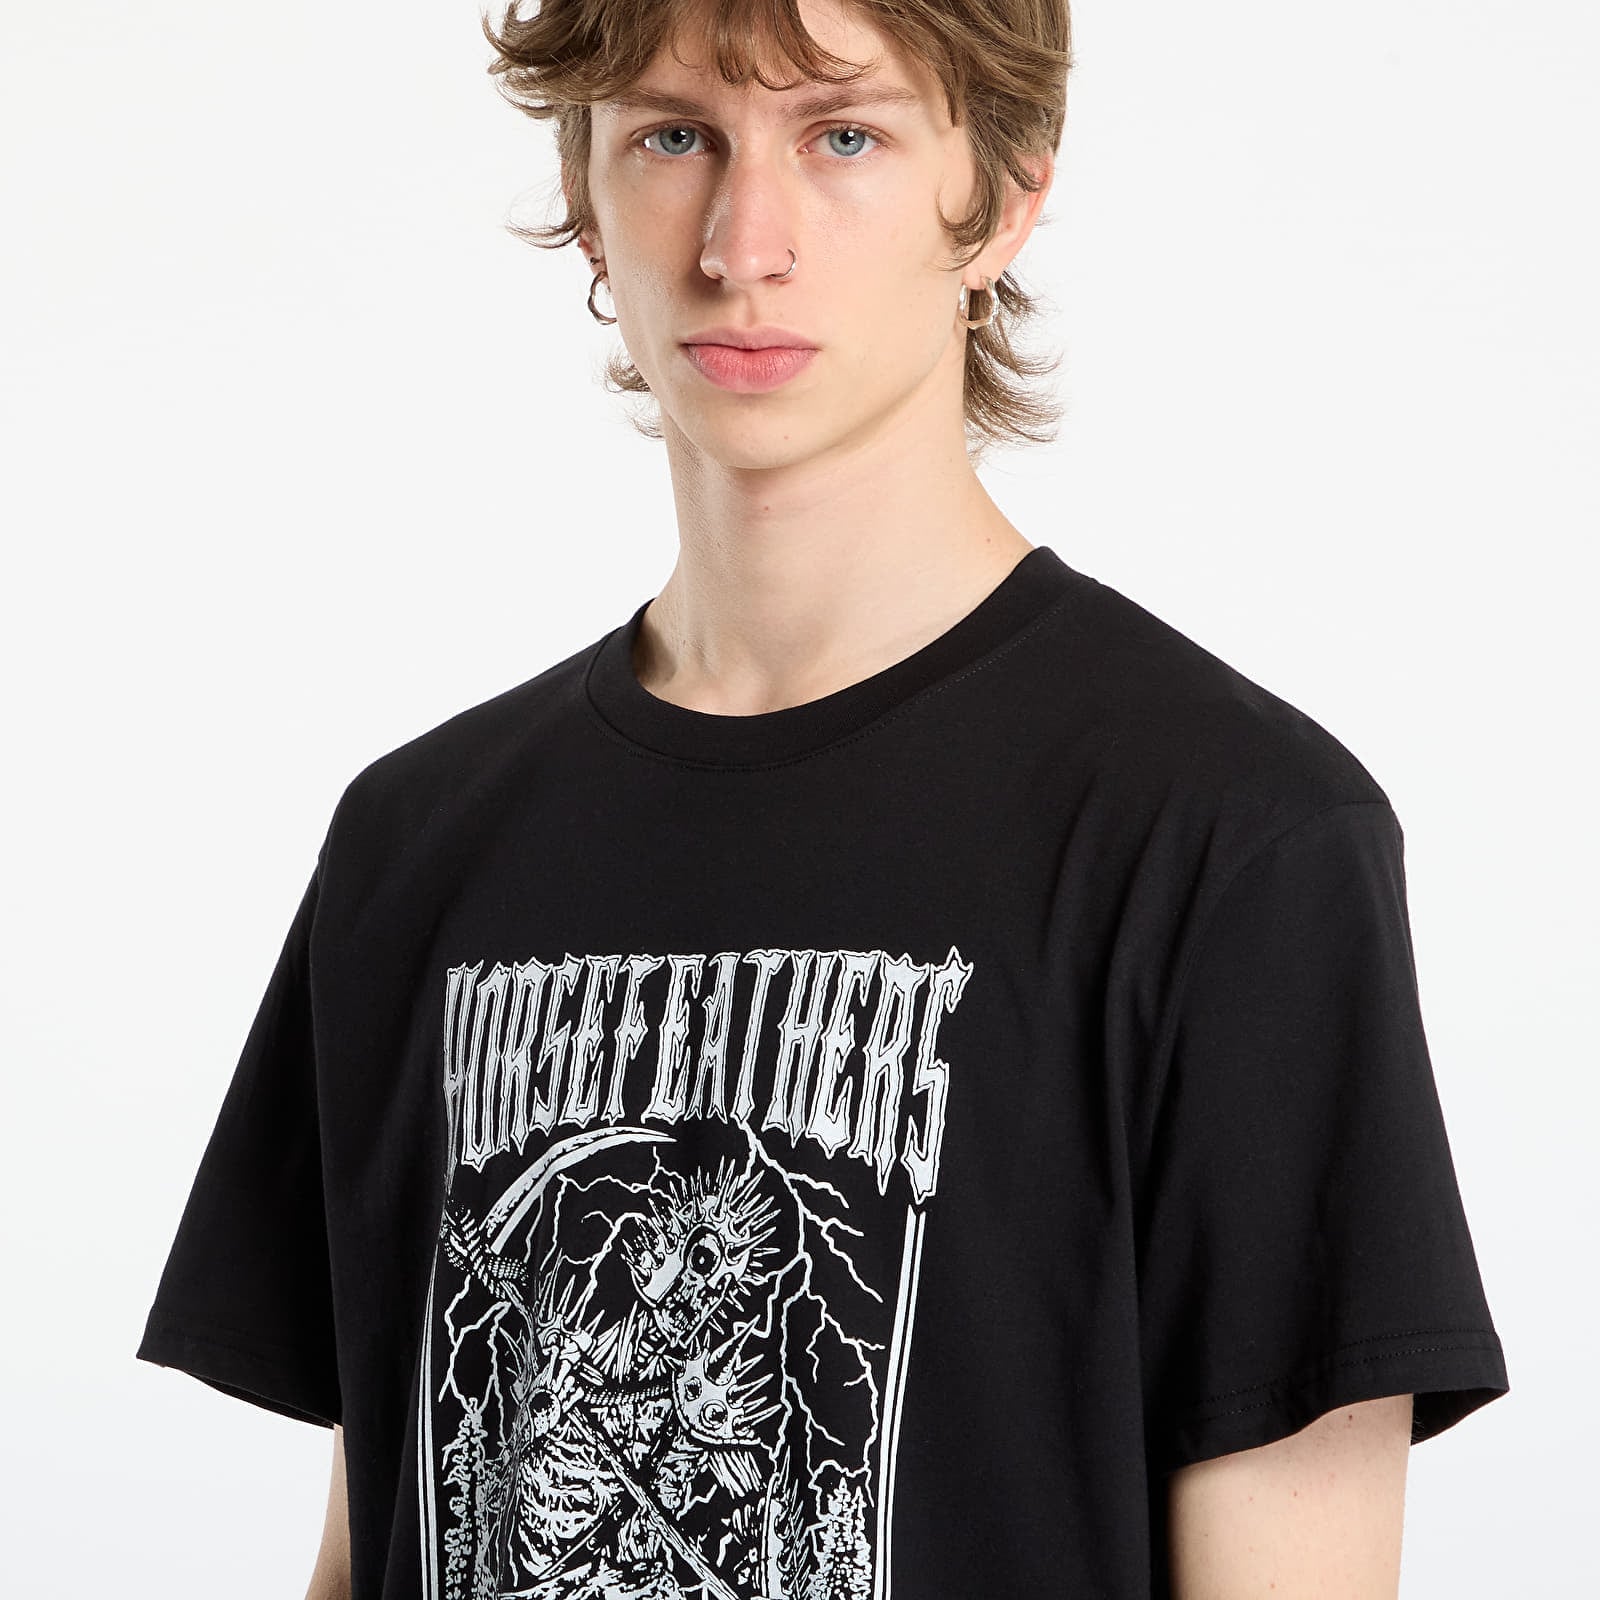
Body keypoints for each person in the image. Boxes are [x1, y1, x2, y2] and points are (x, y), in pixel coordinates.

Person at [134, 2, 1510, 1597]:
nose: (742, 245)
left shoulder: (1233, 843)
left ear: (1000, 198)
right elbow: (386, 1526)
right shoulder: (413, 845)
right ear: (585, 193)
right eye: (674, 136)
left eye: (843, 135)